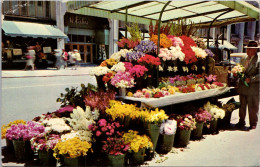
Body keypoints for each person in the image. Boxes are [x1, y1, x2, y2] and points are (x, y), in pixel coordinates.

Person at [236, 40, 260, 130]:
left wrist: (251, 79)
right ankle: (241, 121)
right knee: (242, 105)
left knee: (253, 106)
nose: (247, 50)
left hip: (253, 89)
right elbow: (240, 69)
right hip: (242, 87)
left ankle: (253, 123)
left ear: (254, 50)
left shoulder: (258, 60)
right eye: (247, 49)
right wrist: (236, 73)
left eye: (249, 49)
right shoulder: (244, 58)